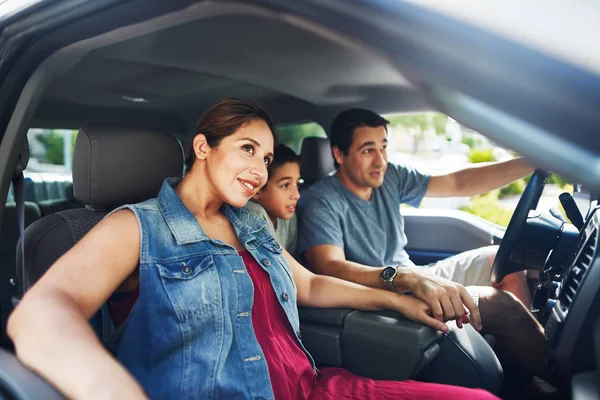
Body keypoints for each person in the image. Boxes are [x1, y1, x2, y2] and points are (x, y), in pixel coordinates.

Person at [8, 99, 497, 400]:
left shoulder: (250, 219)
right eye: (246, 149)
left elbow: (309, 284)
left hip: (310, 386)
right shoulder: (137, 226)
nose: (260, 171)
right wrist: (107, 390)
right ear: (203, 147)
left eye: (265, 157)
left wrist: (401, 296)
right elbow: (43, 312)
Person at [297, 108, 548, 380]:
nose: (380, 160)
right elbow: (329, 266)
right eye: (368, 151)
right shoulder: (320, 201)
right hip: (384, 292)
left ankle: (520, 370)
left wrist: (535, 162)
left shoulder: (389, 176)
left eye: (383, 147)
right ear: (339, 154)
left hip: (417, 274)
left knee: (500, 260)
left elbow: (457, 182)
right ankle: (554, 381)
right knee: (503, 306)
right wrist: (402, 278)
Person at [245, 144, 301, 256]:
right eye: (285, 185)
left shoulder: (288, 216)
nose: (296, 195)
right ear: (257, 189)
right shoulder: (254, 215)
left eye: (297, 184)